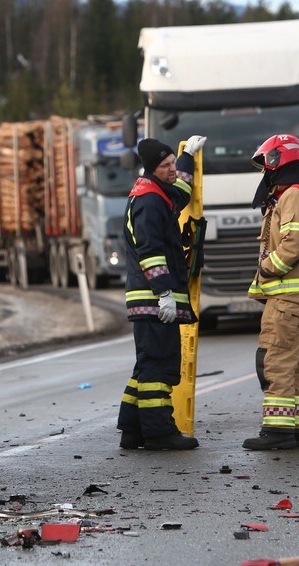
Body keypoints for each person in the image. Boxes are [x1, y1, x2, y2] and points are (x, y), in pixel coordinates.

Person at [117, 134, 206, 451]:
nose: (171, 169)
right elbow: (151, 252)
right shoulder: (150, 201)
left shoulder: (156, 193)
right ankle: (158, 432)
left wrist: (186, 159)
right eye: (167, 165)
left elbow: (180, 194)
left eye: (172, 164)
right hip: (153, 299)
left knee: (145, 366)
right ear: (153, 168)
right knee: (158, 366)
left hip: (149, 300)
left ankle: (132, 428)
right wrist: (164, 292)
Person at [243, 134, 299, 451]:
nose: (265, 172)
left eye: (267, 165)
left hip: (290, 298)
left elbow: (295, 242)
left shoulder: (292, 196)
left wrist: (268, 269)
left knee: (275, 361)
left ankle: (277, 430)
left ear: (279, 161)